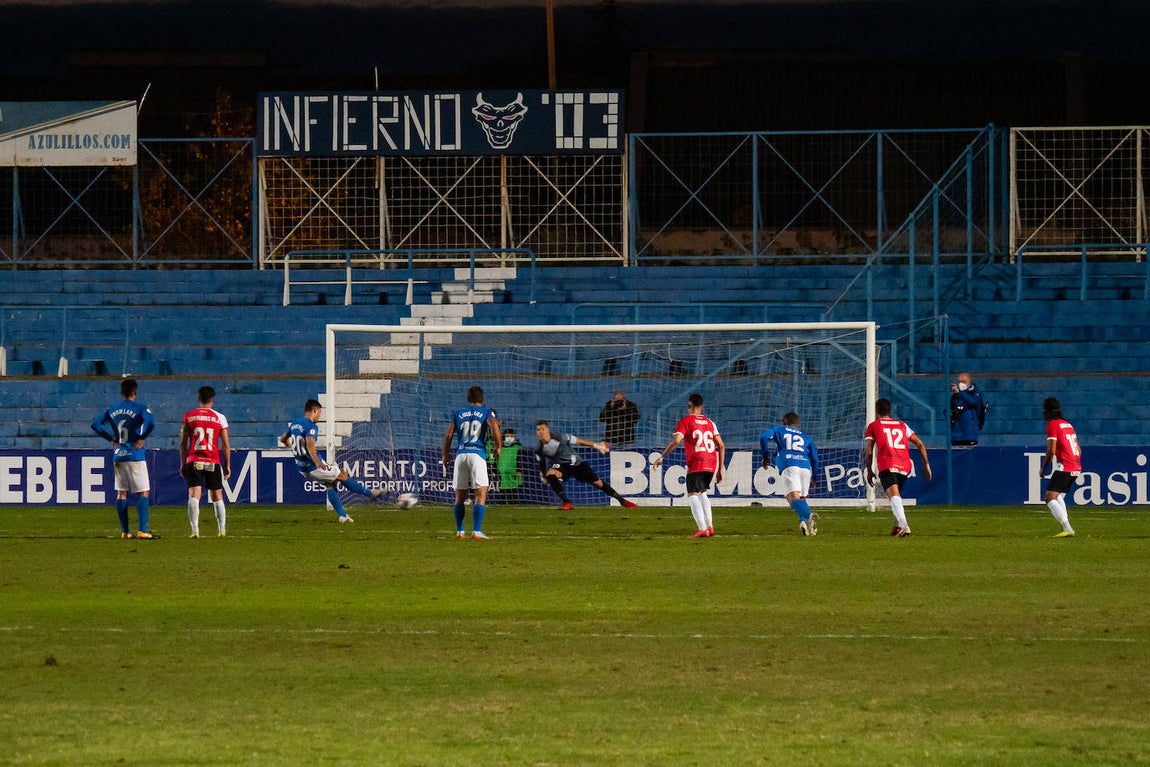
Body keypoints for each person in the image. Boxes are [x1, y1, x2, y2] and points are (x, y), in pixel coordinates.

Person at [279, 398, 383, 524]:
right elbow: (310, 446)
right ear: (315, 411)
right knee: (342, 475)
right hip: (313, 465)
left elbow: (283, 439)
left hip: (301, 467)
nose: (319, 416)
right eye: (319, 413)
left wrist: (288, 444)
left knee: (330, 483)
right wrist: (317, 462)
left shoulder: (295, 423)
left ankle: (343, 516)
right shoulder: (311, 426)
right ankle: (369, 493)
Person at [91, 378, 158, 540]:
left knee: (122, 493)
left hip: (119, 455)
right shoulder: (140, 408)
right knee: (143, 492)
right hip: (135, 455)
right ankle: (142, 530)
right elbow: (152, 423)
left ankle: (125, 531)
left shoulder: (113, 409)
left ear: (122, 393)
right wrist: (142, 438)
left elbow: (95, 424)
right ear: (135, 393)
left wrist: (110, 439)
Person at [652, 392, 726, 538]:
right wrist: (720, 469)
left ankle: (702, 528)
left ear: (689, 405)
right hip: (711, 462)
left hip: (697, 461)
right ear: (702, 406)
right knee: (703, 492)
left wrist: (662, 456)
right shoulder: (710, 422)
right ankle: (709, 527)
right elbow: (722, 446)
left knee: (693, 494)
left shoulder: (686, 421)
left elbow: (676, 441)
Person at [864, 398, 932, 537]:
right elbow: (920, 444)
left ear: (876, 411)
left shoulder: (874, 425)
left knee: (894, 495)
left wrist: (870, 470)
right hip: (904, 466)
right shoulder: (902, 425)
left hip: (887, 464)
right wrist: (926, 465)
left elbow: (869, 451)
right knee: (895, 496)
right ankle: (897, 526)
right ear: (890, 411)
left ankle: (904, 525)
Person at [535, 420, 639, 511]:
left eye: (542, 429)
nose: (541, 432)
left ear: (548, 429)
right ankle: (567, 503)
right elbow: (541, 463)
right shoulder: (539, 448)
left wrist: (596, 445)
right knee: (551, 474)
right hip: (561, 466)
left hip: (577, 463)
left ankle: (622, 501)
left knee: (598, 483)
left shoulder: (560, 437)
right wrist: (543, 475)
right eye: (538, 430)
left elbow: (579, 441)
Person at [442, 386, 501, 539]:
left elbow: (449, 435)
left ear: (468, 400)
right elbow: (494, 425)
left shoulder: (458, 413)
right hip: (477, 454)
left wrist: (445, 455)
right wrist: (498, 446)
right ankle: (476, 531)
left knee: (459, 495)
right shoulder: (487, 412)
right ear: (482, 399)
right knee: (481, 492)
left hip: (461, 455)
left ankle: (460, 532)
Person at [179, 386, 232, 538]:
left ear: (199, 399)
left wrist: (183, 463)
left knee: (194, 494)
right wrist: (227, 465)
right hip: (212, 460)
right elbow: (226, 444)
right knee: (217, 495)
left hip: (194, 460)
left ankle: (195, 531)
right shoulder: (219, 418)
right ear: (212, 400)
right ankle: (221, 530)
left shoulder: (189, 416)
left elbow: (183, 443)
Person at [760, 412, 820, 536]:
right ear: (797, 424)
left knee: (791, 498)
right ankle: (803, 523)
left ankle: (809, 515)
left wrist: (765, 457)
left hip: (789, 464)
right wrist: (814, 478)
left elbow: (764, 437)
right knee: (801, 499)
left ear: (784, 422)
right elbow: (815, 458)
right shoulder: (805, 437)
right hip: (805, 467)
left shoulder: (780, 430)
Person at [1039, 397, 1080, 538]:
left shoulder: (1053, 425)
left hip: (1066, 466)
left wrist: (1043, 469)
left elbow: (1051, 450)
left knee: (1049, 498)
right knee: (1058, 495)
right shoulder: (1068, 425)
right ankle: (1067, 527)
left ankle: (1067, 528)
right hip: (1076, 466)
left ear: (1047, 411)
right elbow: (1079, 450)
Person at [488, 427, 525, 503]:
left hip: (513, 475)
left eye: (511, 436)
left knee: (513, 496)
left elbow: (521, 460)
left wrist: (519, 470)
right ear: (504, 436)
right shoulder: (499, 448)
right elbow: (494, 460)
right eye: (507, 436)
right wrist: (495, 470)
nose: (509, 438)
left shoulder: (518, 448)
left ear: (515, 437)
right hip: (503, 475)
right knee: (503, 497)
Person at [950, 372, 986, 446]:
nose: (961, 384)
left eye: (963, 382)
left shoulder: (976, 393)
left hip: (970, 435)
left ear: (969, 382)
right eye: (959, 382)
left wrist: (959, 393)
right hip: (956, 435)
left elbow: (973, 402)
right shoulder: (955, 396)